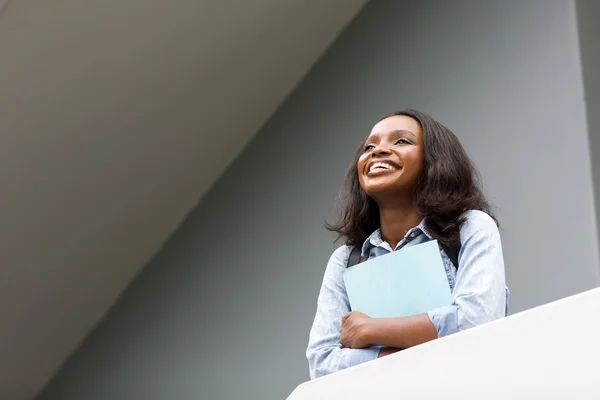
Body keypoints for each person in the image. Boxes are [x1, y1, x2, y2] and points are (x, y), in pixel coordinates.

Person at [306, 109, 508, 379]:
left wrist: (371, 330)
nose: (378, 151)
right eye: (370, 146)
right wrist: (408, 354)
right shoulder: (345, 260)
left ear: (433, 161)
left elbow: (476, 321)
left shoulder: (471, 227)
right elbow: (321, 362)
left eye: (401, 141)